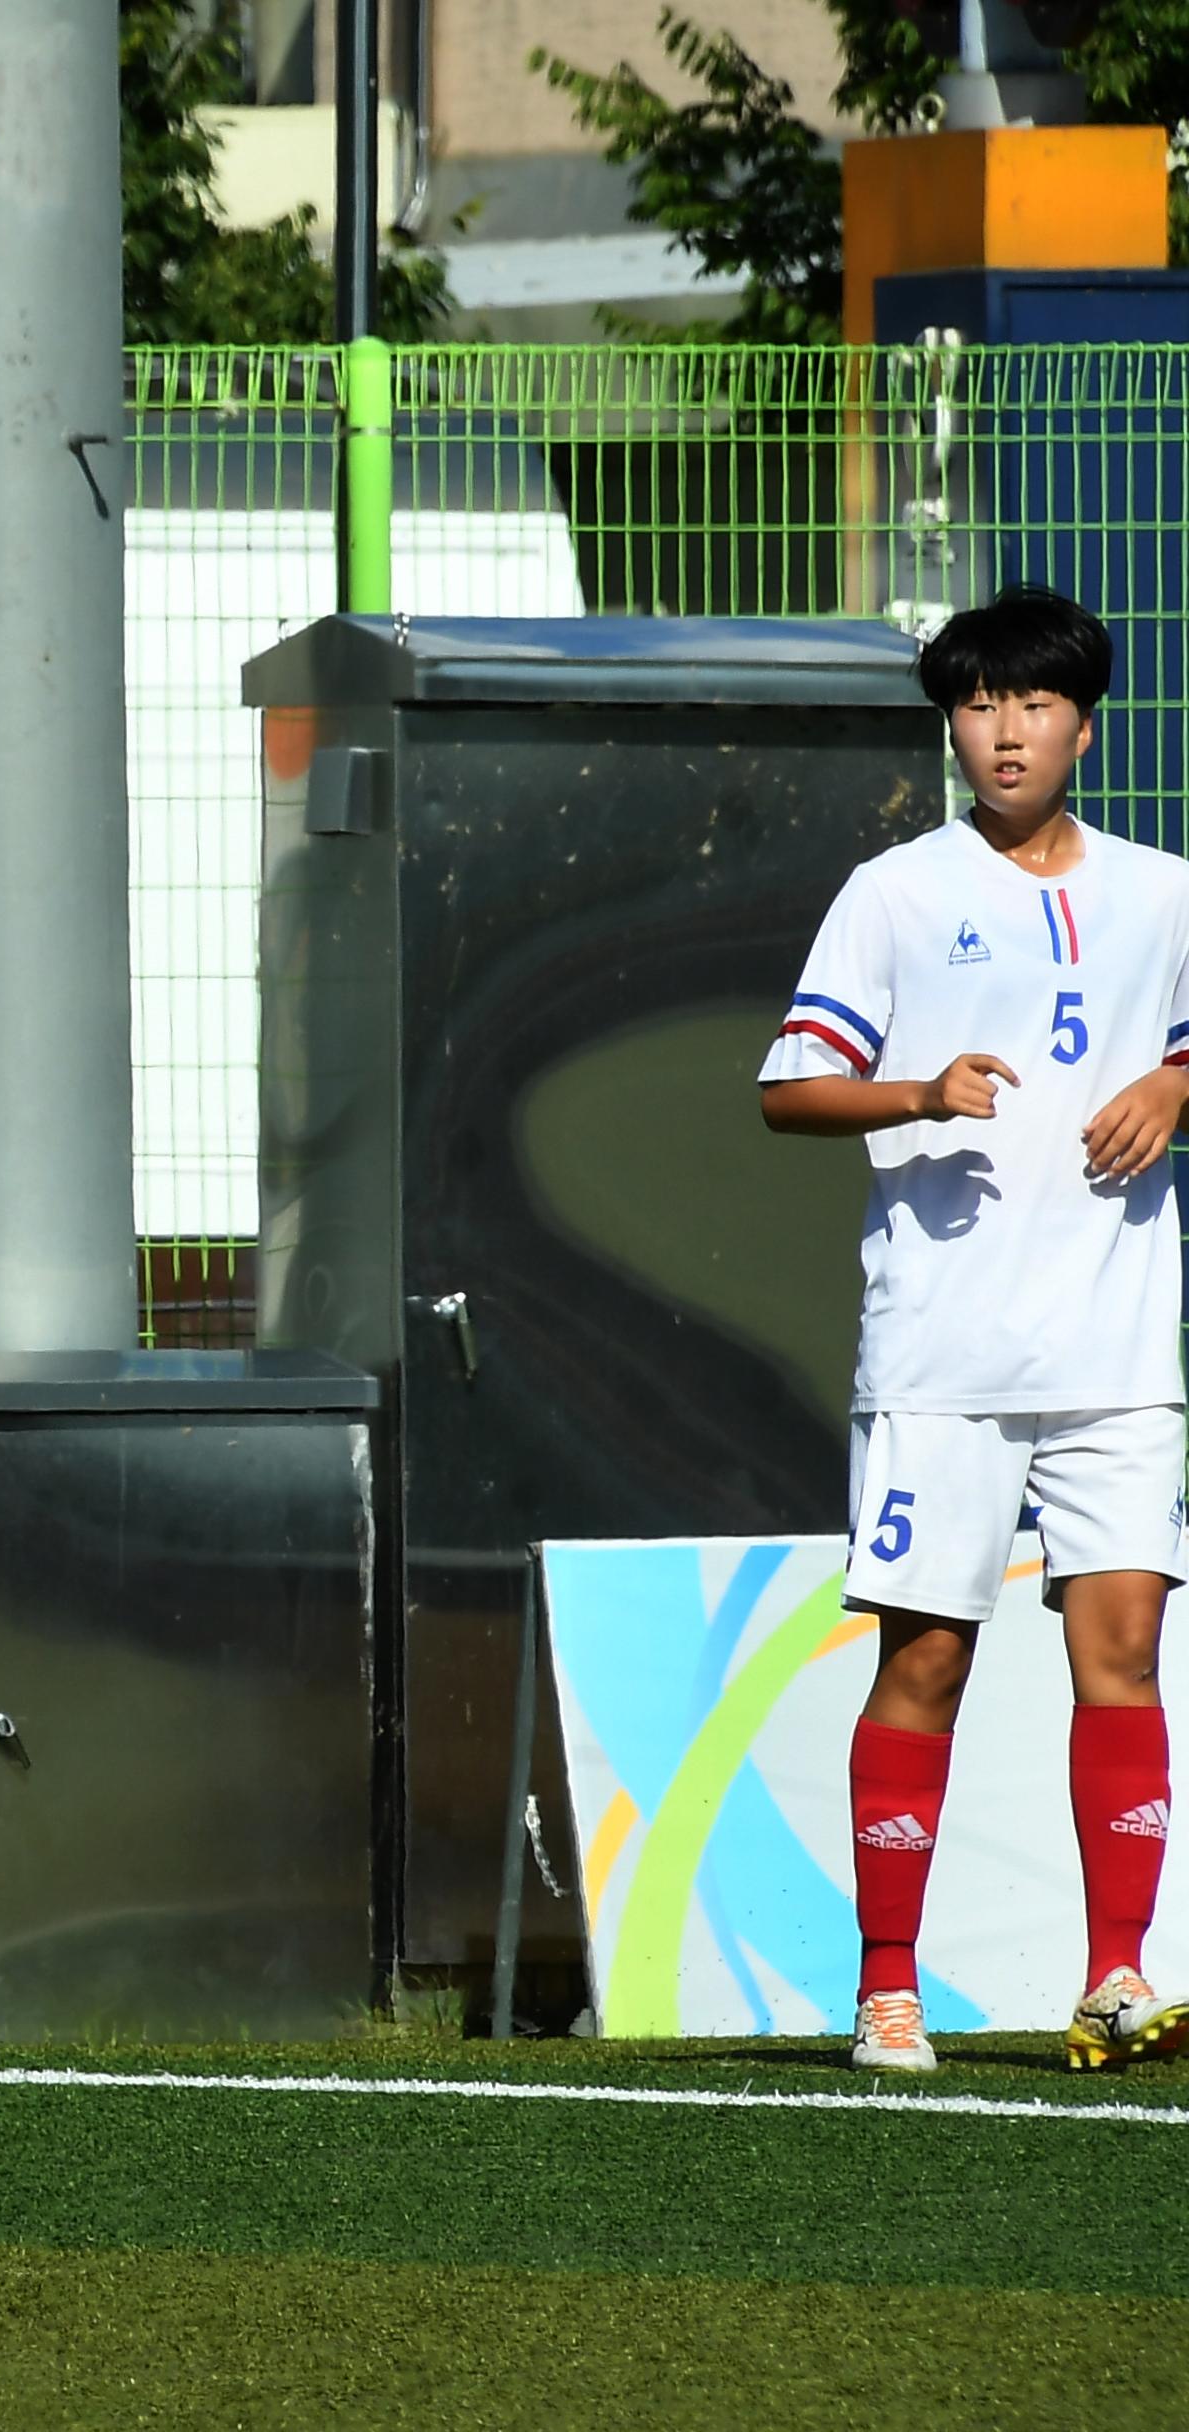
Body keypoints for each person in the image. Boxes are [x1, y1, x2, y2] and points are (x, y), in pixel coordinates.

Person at [760, 583, 1189, 2078]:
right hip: (944, 1351)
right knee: (929, 1656)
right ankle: (890, 1988)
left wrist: (1178, 1086)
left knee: (1123, 1642)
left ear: (1085, 721)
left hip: (1120, 1349)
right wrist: (920, 1090)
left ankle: (1119, 1977)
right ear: (952, 724)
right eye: (977, 706)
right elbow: (789, 1087)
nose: (1003, 734)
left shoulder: (1163, 889)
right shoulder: (896, 891)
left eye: (1032, 705)